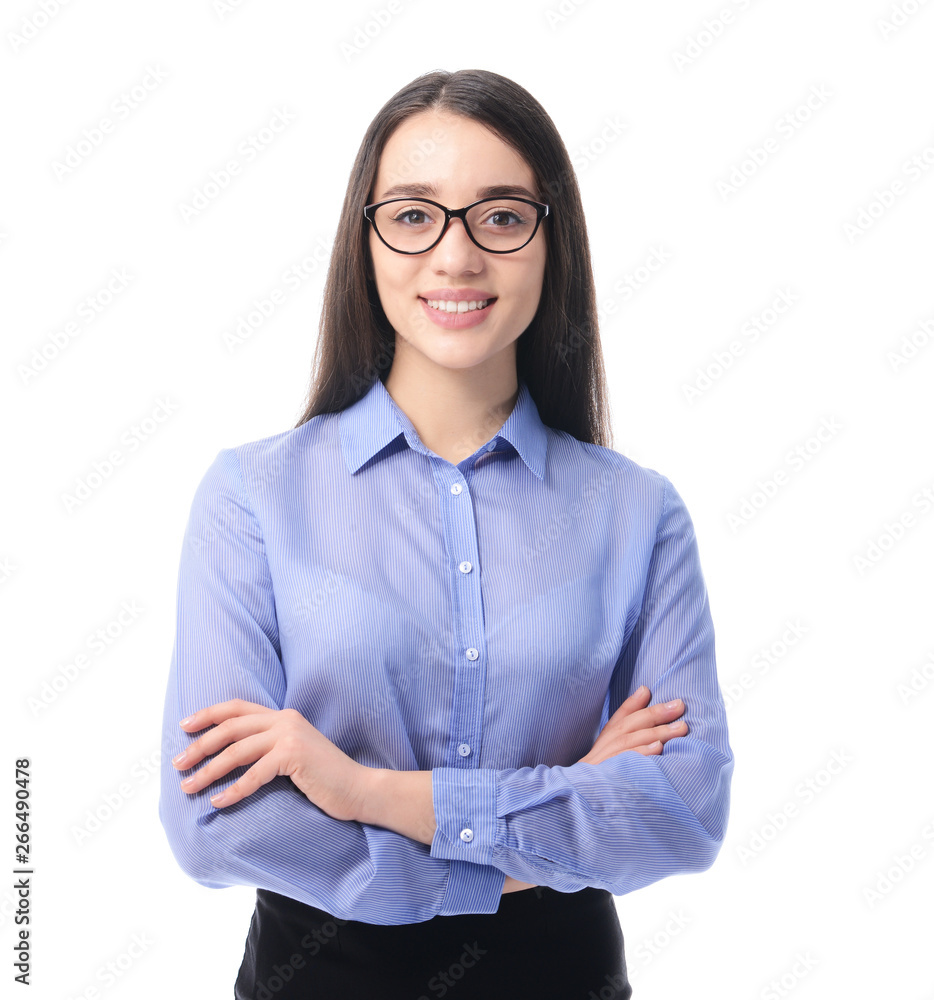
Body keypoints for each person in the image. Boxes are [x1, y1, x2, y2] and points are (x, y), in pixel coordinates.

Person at [158, 67, 734, 999]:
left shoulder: (638, 513)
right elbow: (216, 827)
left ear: (552, 243)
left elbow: (685, 811)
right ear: (367, 241)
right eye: (415, 215)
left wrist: (366, 792)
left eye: (500, 217)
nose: (456, 258)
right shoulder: (252, 498)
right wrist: (549, 818)